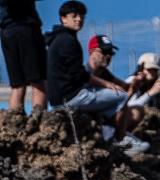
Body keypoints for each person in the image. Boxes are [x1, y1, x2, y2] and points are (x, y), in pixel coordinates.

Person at [46, 1, 147, 153]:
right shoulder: (68, 42)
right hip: (69, 97)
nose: (79, 19)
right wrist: (106, 85)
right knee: (120, 97)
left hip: (64, 97)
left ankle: (114, 140)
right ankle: (120, 141)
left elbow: (125, 88)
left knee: (125, 104)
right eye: (74, 16)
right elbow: (79, 75)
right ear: (63, 18)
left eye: (82, 16)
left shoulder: (61, 39)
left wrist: (137, 83)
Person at [1, 0, 47, 114]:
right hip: (27, 27)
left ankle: (14, 122)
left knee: (17, 85)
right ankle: (39, 121)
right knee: (38, 82)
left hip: (6, 31)